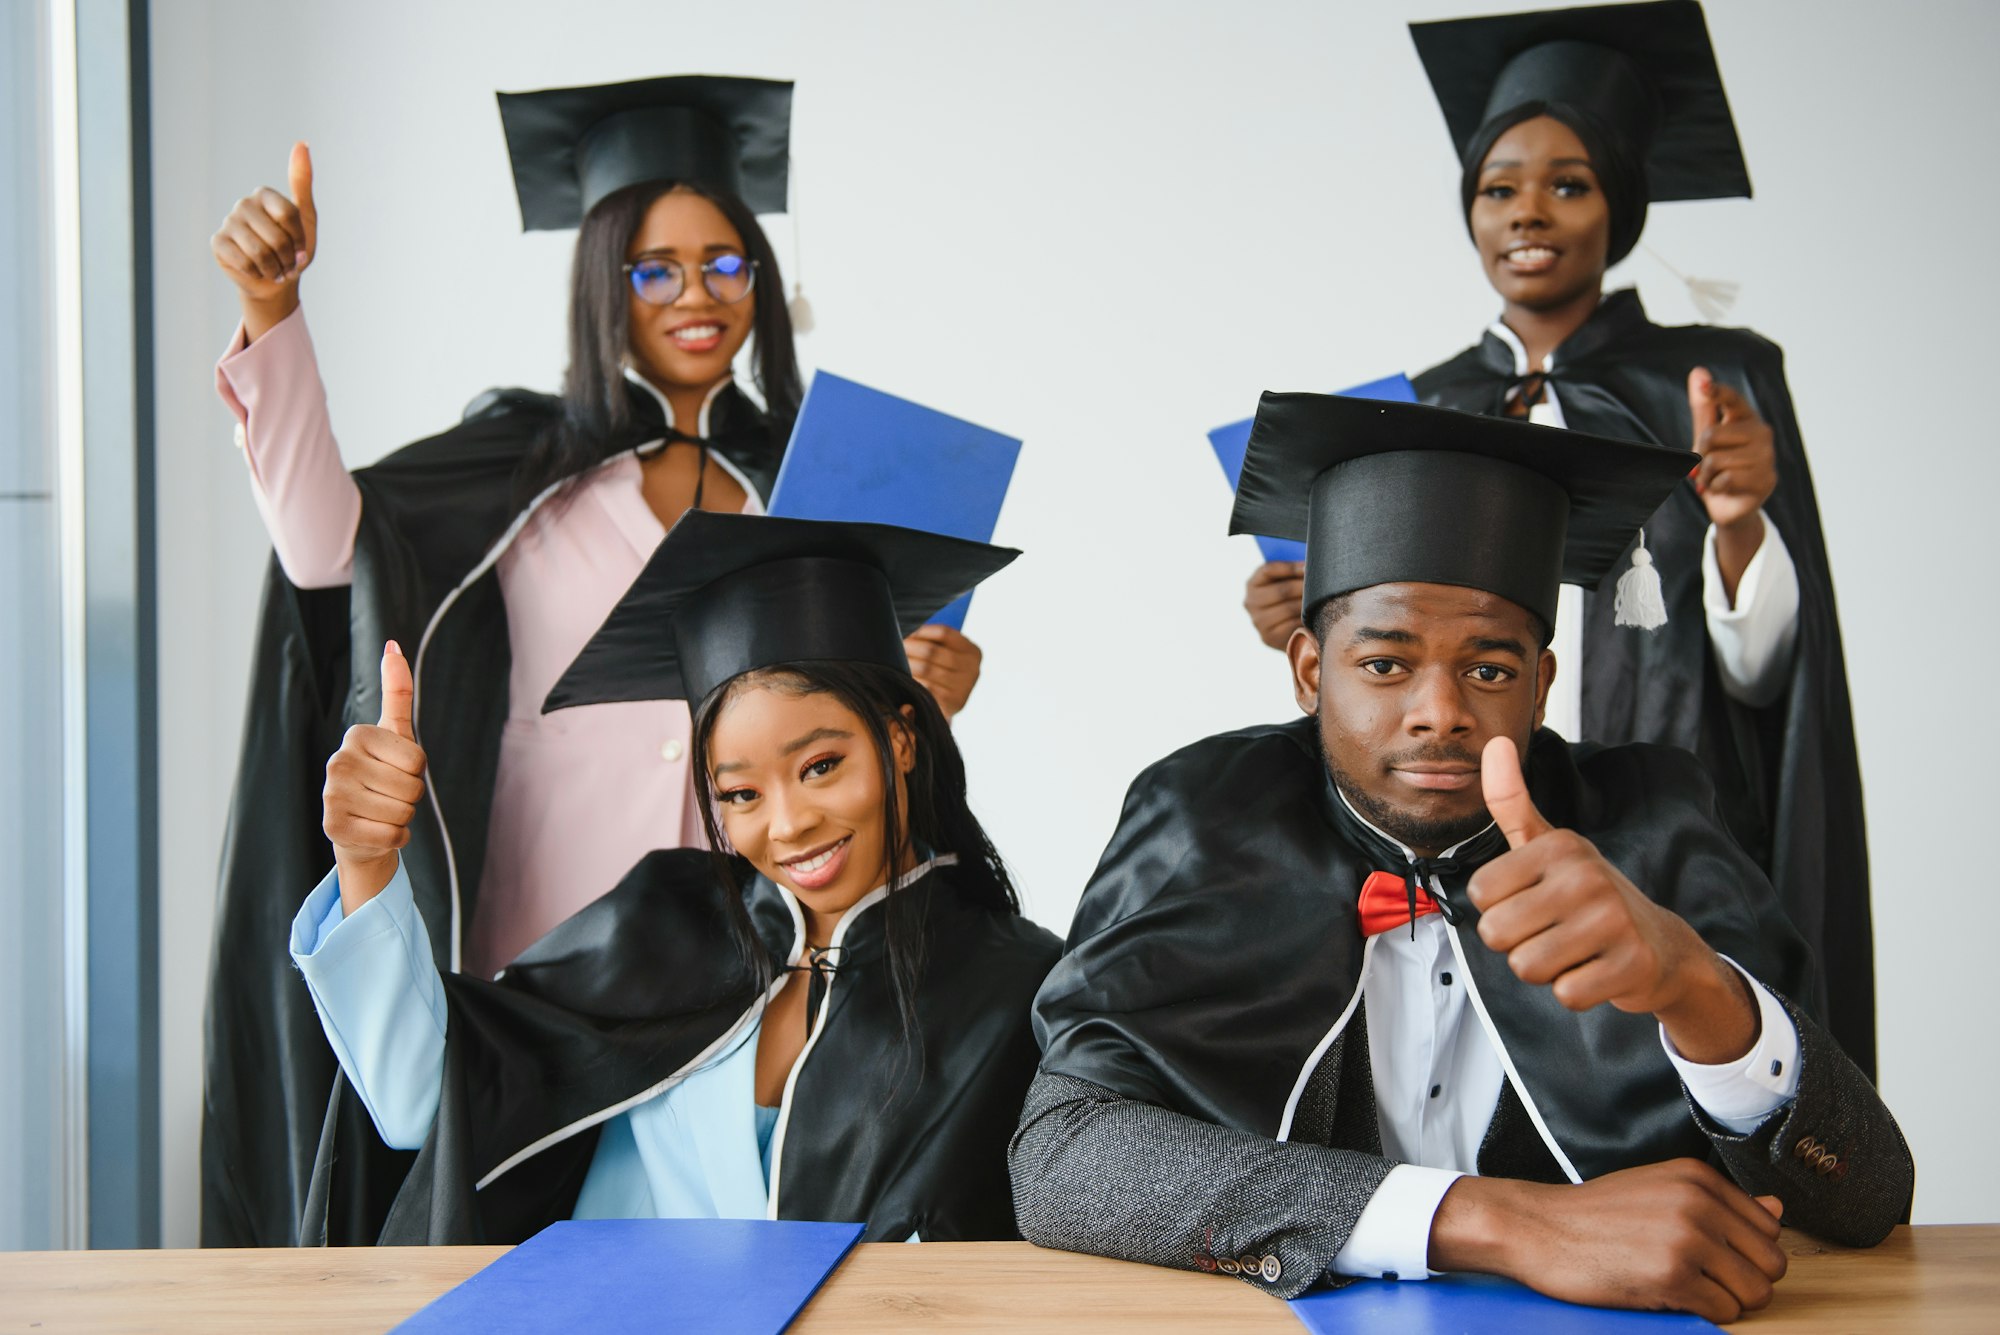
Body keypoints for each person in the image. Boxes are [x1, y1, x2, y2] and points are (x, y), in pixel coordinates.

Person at [200, 76, 987, 1246]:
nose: (695, 294)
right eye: (653, 268)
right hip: (545, 953)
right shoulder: (526, 472)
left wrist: (921, 691)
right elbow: (330, 548)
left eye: (725, 264)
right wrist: (273, 311)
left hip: (733, 959)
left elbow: (840, 737)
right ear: (599, 285)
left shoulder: (802, 487)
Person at [1017, 394, 1911, 1323]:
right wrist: (1510, 1223)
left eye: (1488, 669)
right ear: (1309, 670)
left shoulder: (1655, 818)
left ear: (1541, 688)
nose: (1440, 710)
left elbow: (1868, 1195)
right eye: (1385, 665)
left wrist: (1692, 981)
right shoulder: (1204, 814)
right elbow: (1062, 1157)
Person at [1238, 1, 1873, 1075]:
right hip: (1458, 823)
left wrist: (1738, 525)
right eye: (1498, 188)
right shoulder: (1422, 405)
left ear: (1617, 207)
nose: (1526, 212)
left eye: (1566, 184)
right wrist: (1309, 611)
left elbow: (1769, 679)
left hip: (1658, 815)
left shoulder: (1711, 379)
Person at [296, 512, 1060, 1243]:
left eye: (821, 766)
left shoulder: (1011, 983)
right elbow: (418, 1101)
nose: (787, 823)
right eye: (741, 794)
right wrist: (368, 860)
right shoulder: (665, 920)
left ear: (900, 738)